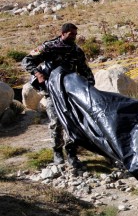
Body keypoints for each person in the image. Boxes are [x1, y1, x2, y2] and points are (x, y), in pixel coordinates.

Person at [22, 23, 94, 169]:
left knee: (71, 123)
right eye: (71, 34)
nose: (74, 37)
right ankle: (57, 152)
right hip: (52, 92)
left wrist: (91, 86)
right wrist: (38, 73)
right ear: (63, 33)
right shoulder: (49, 47)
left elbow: (85, 70)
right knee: (56, 123)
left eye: (75, 34)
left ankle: (72, 154)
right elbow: (27, 60)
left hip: (69, 91)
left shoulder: (76, 51)